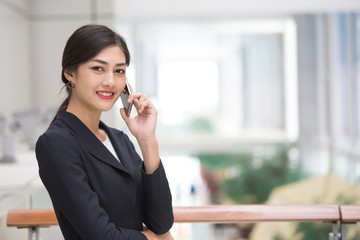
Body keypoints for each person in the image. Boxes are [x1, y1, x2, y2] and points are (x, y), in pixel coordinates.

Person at [35, 24, 174, 240]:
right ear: (70, 73)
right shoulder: (56, 143)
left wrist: (147, 141)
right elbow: (100, 235)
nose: (110, 81)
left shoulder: (119, 140)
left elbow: (161, 221)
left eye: (119, 71)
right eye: (98, 68)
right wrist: (153, 239)